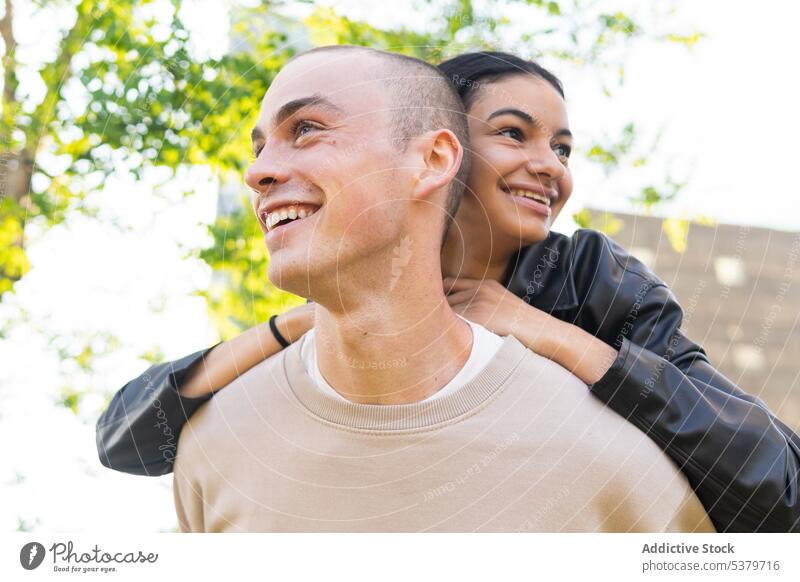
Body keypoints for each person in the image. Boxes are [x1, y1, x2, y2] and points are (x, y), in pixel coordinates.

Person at [95, 50, 800, 532]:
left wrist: (542, 330)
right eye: (514, 134)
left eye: (561, 148)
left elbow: (777, 481)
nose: (547, 168)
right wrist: (285, 329)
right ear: (438, 153)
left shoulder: (597, 281)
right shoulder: (342, 288)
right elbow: (128, 444)